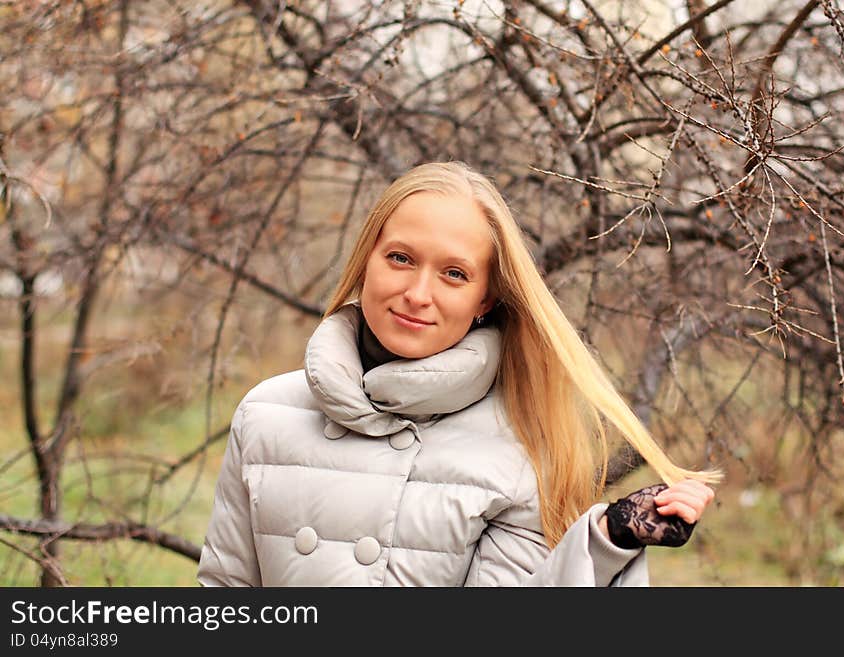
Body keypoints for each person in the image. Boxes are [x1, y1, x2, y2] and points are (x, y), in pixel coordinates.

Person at [197, 160, 721, 587]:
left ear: (484, 298)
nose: (418, 294)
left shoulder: (524, 445)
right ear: (366, 261)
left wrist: (610, 538)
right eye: (400, 258)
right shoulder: (267, 413)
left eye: (454, 274)